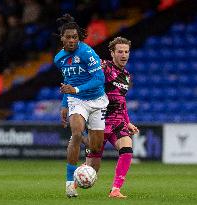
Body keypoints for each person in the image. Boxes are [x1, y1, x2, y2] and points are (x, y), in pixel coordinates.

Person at [65, 37, 139, 198]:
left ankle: (115, 190)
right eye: (120, 51)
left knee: (127, 149)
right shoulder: (104, 68)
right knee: (93, 167)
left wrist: (128, 122)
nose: (124, 55)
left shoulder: (126, 75)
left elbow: (121, 99)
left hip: (118, 123)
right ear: (112, 53)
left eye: (126, 52)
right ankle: (74, 182)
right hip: (100, 122)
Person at [53, 14, 109, 198]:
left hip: (97, 100)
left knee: (95, 147)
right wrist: (64, 104)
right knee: (76, 133)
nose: (71, 41)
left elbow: (100, 79)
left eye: (75, 37)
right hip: (77, 101)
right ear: (62, 38)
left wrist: (75, 89)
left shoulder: (87, 52)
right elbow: (67, 80)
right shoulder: (59, 59)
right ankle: (70, 183)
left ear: (79, 38)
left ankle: (87, 161)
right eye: (68, 37)